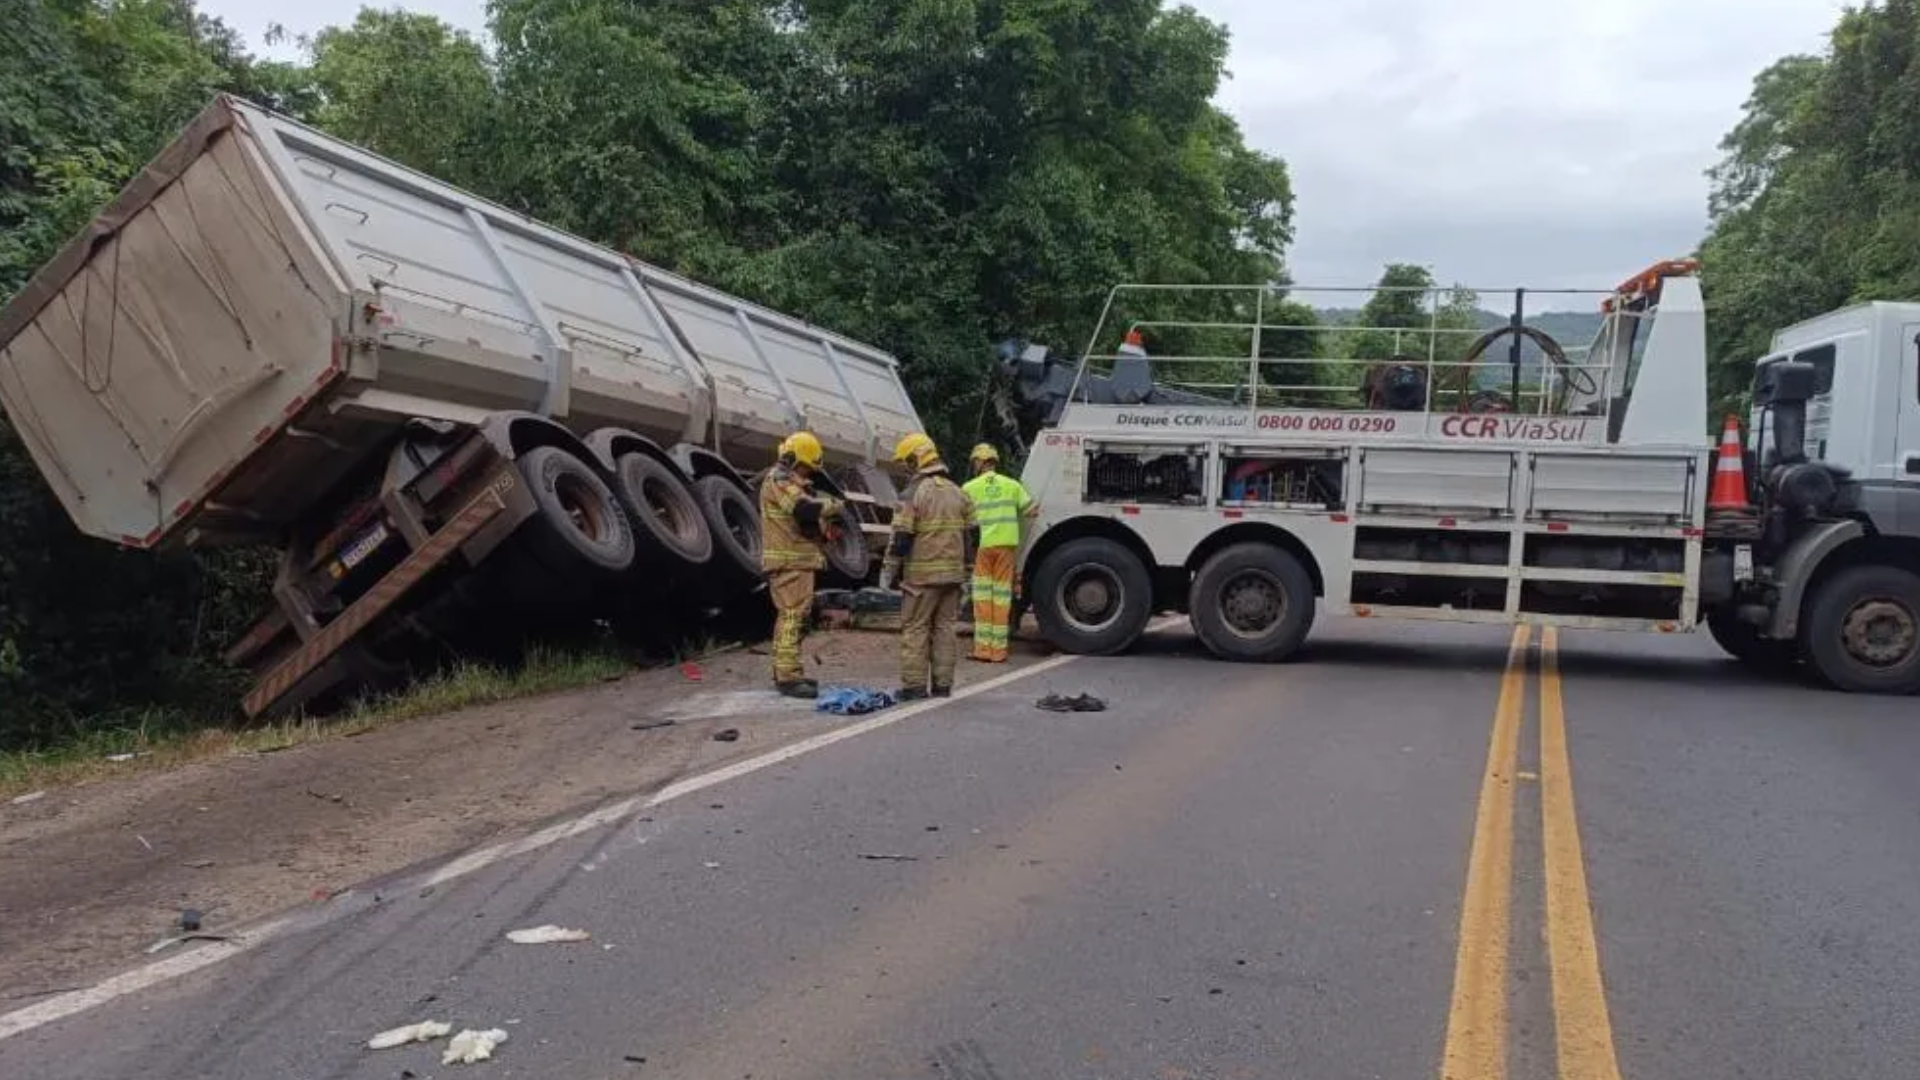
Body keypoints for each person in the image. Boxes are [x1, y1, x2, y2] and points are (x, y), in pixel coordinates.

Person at [880, 432, 974, 700]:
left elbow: (901, 537)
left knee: (915, 629)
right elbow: (970, 538)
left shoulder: (912, 493)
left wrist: (887, 572)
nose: (905, 468)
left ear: (915, 459)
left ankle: (915, 686)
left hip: (921, 578)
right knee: (945, 629)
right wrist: (968, 574)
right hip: (953, 577)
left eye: (906, 462)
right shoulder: (959, 493)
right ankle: (943, 686)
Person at [758, 431, 844, 699]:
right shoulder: (779, 480)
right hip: (789, 561)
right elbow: (803, 509)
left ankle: (789, 671)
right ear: (794, 459)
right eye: (807, 467)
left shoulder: (792, 483)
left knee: (796, 617)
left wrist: (827, 528)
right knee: (792, 617)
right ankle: (787, 678)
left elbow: (805, 522)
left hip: (797, 561)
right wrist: (833, 506)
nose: (808, 473)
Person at [960, 443, 1036, 662]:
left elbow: (964, 519)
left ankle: (983, 650)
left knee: (983, 597)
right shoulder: (1012, 485)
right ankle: (999, 652)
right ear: (994, 461)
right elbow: (1032, 511)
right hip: (1007, 548)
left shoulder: (969, 487)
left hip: (986, 547)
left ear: (979, 462)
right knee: (1002, 598)